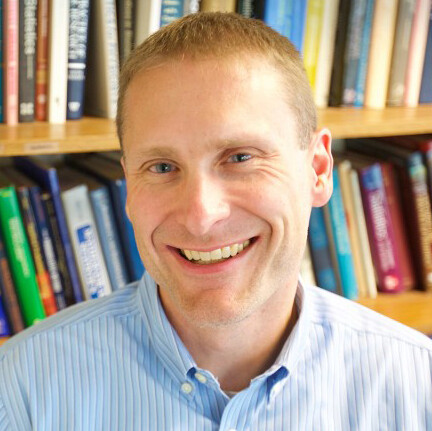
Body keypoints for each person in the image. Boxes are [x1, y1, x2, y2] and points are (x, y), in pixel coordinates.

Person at [1, 12, 432, 431]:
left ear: (318, 170)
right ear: (128, 186)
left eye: (240, 158)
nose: (201, 216)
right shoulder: (20, 389)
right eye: (162, 167)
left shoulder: (418, 385)